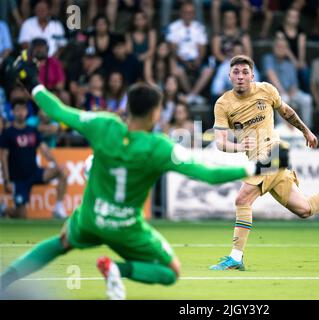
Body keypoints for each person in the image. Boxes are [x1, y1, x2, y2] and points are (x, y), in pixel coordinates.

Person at [0, 50, 288, 299]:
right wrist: (257, 167)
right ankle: (117, 269)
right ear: (154, 114)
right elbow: (207, 174)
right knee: (170, 271)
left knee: (60, 243)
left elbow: (59, 111)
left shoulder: (103, 125)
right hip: (128, 227)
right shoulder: (158, 147)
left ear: (127, 109)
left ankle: (5, 281)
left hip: (91, 218)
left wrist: (31, 83)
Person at [210, 55, 319, 270]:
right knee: (305, 209)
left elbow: (287, 112)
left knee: (242, 199)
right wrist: (239, 147)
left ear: (252, 75)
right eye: (236, 72)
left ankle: (236, 257)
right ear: (229, 76)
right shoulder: (223, 104)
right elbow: (220, 143)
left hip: (273, 154)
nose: (241, 76)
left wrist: (306, 131)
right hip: (260, 161)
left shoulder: (267, 90)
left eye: (245, 72)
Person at [0, 98, 67, 219]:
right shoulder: (8, 133)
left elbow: (44, 149)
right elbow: (3, 157)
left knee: (62, 171)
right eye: (18, 110)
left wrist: (55, 163)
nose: (21, 112)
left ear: (27, 112)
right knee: (21, 216)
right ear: (13, 113)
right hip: (18, 179)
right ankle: (4, 210)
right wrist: (7, 180)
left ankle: (58, 208)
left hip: (34, 173)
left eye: (23, 109)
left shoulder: (32, 130)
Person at [262, 37, 313, 128]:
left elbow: (294, 84)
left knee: (307, 99)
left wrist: (292, 91)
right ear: (273, 48)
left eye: (283, 47)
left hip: (287, 93)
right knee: (283, 99)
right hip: (272, 93)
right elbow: (271, 75)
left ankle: (306, 130)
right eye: (278, 46)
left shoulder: (289, 64)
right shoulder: (268, 58)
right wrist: (282, 91)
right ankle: (281, 130)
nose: (280, 49)